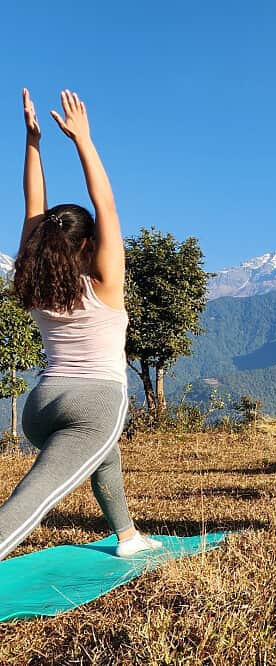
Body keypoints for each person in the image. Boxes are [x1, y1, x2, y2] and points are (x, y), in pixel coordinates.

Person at [0, 89, 161, 560]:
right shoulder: (105, 283)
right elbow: (105, 204)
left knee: (100, 453)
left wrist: (33, 142)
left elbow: (34, 208)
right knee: (30, 504)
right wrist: (83, 140)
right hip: (96, 402)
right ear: (89, 246)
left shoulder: (34, 284)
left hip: (42, 406)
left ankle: (128, 537)